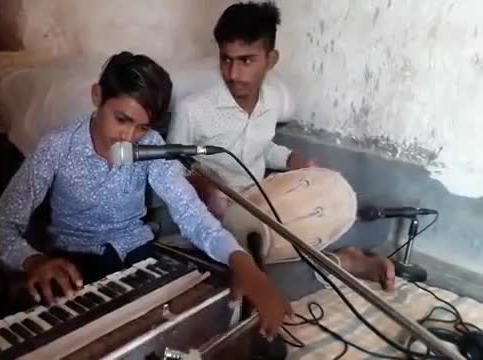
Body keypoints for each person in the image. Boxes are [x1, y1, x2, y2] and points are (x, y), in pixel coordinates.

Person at [0, 51, 293, 338]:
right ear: (97, 97)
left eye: (142, 128)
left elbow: (191, 214)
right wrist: (34, 262)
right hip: (75, 268)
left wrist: (244, 264)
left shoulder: (153, 147)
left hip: (139, 259)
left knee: (198, 324)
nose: (129, 138)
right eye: (121, 119)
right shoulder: (56, 147)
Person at [166, 1, 395, 300]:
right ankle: (345, 262)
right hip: (215, 217)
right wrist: (203, 186)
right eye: (226, 59)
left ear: (270, 59)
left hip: (264, 201)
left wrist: (291, 159)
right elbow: (170, 169)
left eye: (246, 60)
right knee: (256, 280)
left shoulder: (272, 100)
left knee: (337, 203)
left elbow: (264, 147)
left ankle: (337, 254)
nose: (233, 73)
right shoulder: (192, 110)